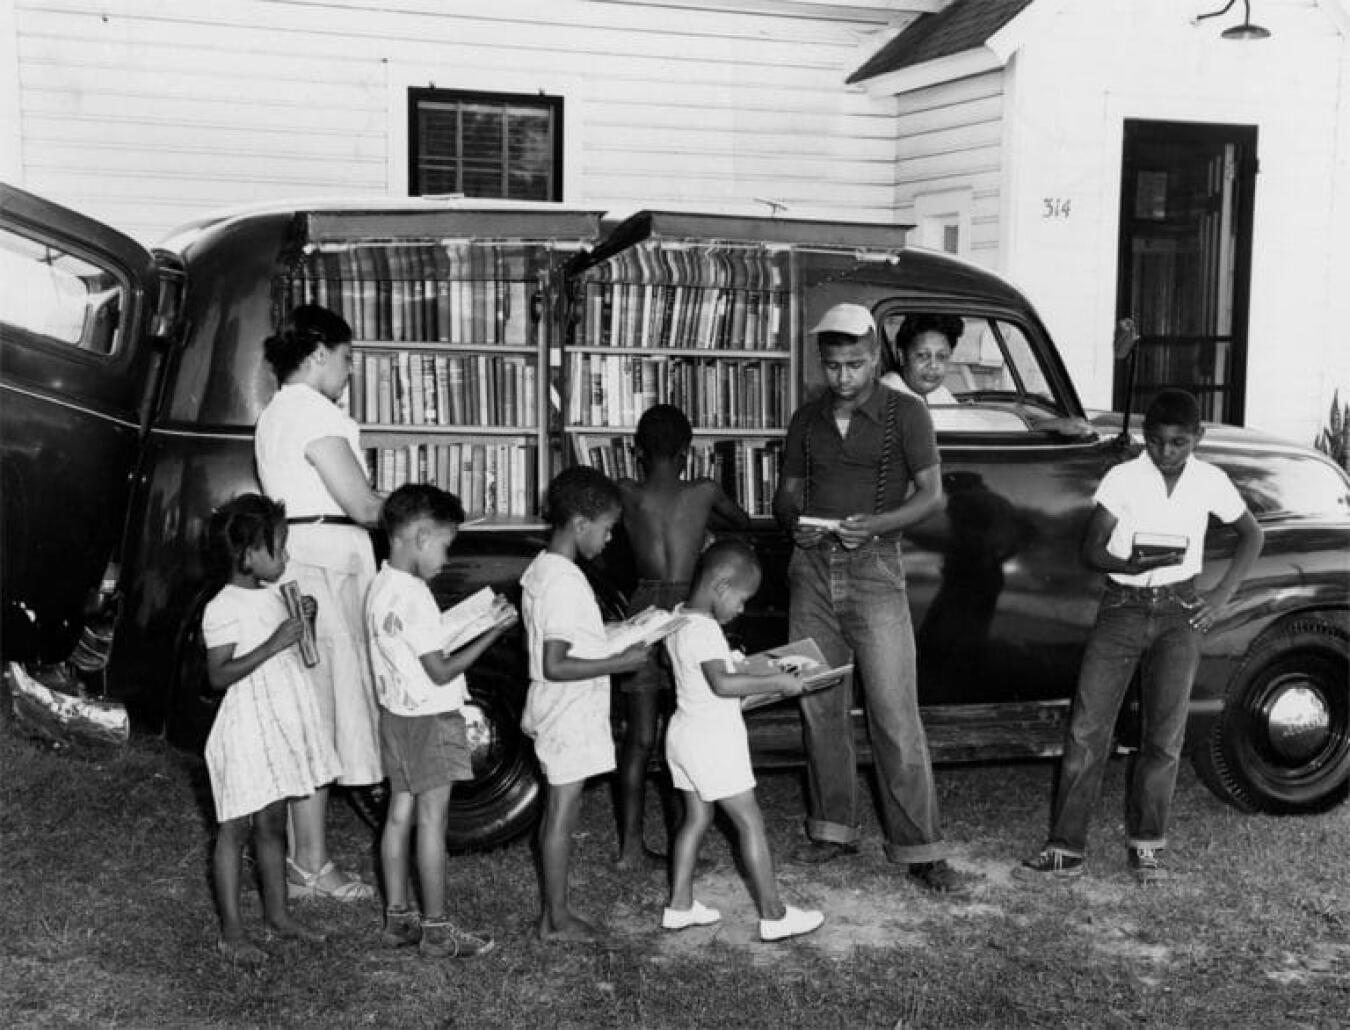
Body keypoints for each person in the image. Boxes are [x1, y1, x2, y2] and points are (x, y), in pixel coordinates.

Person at [1014, 388, 1264, 885]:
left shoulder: (1211, 481)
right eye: (1155, 442)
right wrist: (1128, 562)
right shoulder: (1124, 476)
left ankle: (1146, 847)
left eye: (1178, 443)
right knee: (1088, 729)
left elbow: (1252, 535)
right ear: (1145, 438)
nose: (1166, 453)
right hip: (1123, 608)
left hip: (1179, 612)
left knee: (1164, 735)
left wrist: (1219, 599)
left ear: (1197, 439)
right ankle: (1066, 848)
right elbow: (1092, 548)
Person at [772, 301, 979, 895]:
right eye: (834, 366)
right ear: (822, 363)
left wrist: (881, 523)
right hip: (809, 571)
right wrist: (796, 524)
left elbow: (932, 496)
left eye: (856, 365)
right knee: (820, 706)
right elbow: (786, 497)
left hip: (875, 570)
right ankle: (832, 830)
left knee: (894, 713)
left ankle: (922, 850)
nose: (844, 378)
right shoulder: (805, 420)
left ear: (874, 356)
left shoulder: (906, 413)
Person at [255, 304, 384, 902]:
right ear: (318, 355)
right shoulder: (313, 411)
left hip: (302, 557)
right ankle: (311, 865)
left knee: (309, 708)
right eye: (346, 357)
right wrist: (412, 509)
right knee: (324, 712)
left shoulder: (276, 412)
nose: (349, 370)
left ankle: (301, 856)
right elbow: (364, 506)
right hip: (325, 566)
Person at [367, 484, 516, 958]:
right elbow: (441, 669)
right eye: (446, 544)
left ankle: (398, 921)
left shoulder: (382, 585)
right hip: (432, 720)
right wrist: (492, 631)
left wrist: (460, 625)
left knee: (398, 815)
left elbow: (418, 647)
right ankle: (436, 930)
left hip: (396, 717)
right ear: (421, 534)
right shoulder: (414, 595)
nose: (447, 557)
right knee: (433, 822)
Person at [662, 540, 825, 942]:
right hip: (713, 742)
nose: (741, 609)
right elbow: (721, 683)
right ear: (720, 585)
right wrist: (778, 681)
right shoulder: (703, 629)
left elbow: (707, 675)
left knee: (696, 819)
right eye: (741, 598)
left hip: (684, 734)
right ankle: (775, 914)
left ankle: (680, 906)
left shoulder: (680, 618)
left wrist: (740, 667)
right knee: (750, 821)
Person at [201, 494, 337, 964]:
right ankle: (232, 933)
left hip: (278, 724)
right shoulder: (222, 607)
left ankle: (278, 916)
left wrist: (305, 626)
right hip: (244, 730)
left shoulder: (278, 599)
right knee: (234, 829)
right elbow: (218, 675)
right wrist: (273, 642)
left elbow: (300, 657)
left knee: (273, 825)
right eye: (277, 548)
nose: (285, 557)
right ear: (246, 555)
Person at [613, 404, 750, 871]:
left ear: (637, 450)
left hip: (644, 611)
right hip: (689, 608)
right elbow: (744, 524)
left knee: (639, 738)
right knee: (687, 724)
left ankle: (630, 848)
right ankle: (681, 842)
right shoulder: (704, 490)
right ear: (688, 451)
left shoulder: (626, 492)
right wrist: (705, 527)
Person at [520, 466, 650, 942]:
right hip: (566, 711)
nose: (610, 538)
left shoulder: (545, 569)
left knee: (560, 812)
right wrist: (620, 662)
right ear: (579, 524)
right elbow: (555, 662)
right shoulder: (564, 581)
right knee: (561, 815)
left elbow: (568, 643)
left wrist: (614, 639)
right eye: (607, 528)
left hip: (561, 708)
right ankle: (556, 919)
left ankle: (554, 913)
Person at [880, 312, 963, 406]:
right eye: (923, 356)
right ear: (902, 356)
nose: (933, 365)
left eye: (941, 356)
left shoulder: (940, 393)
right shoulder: (885, 397)